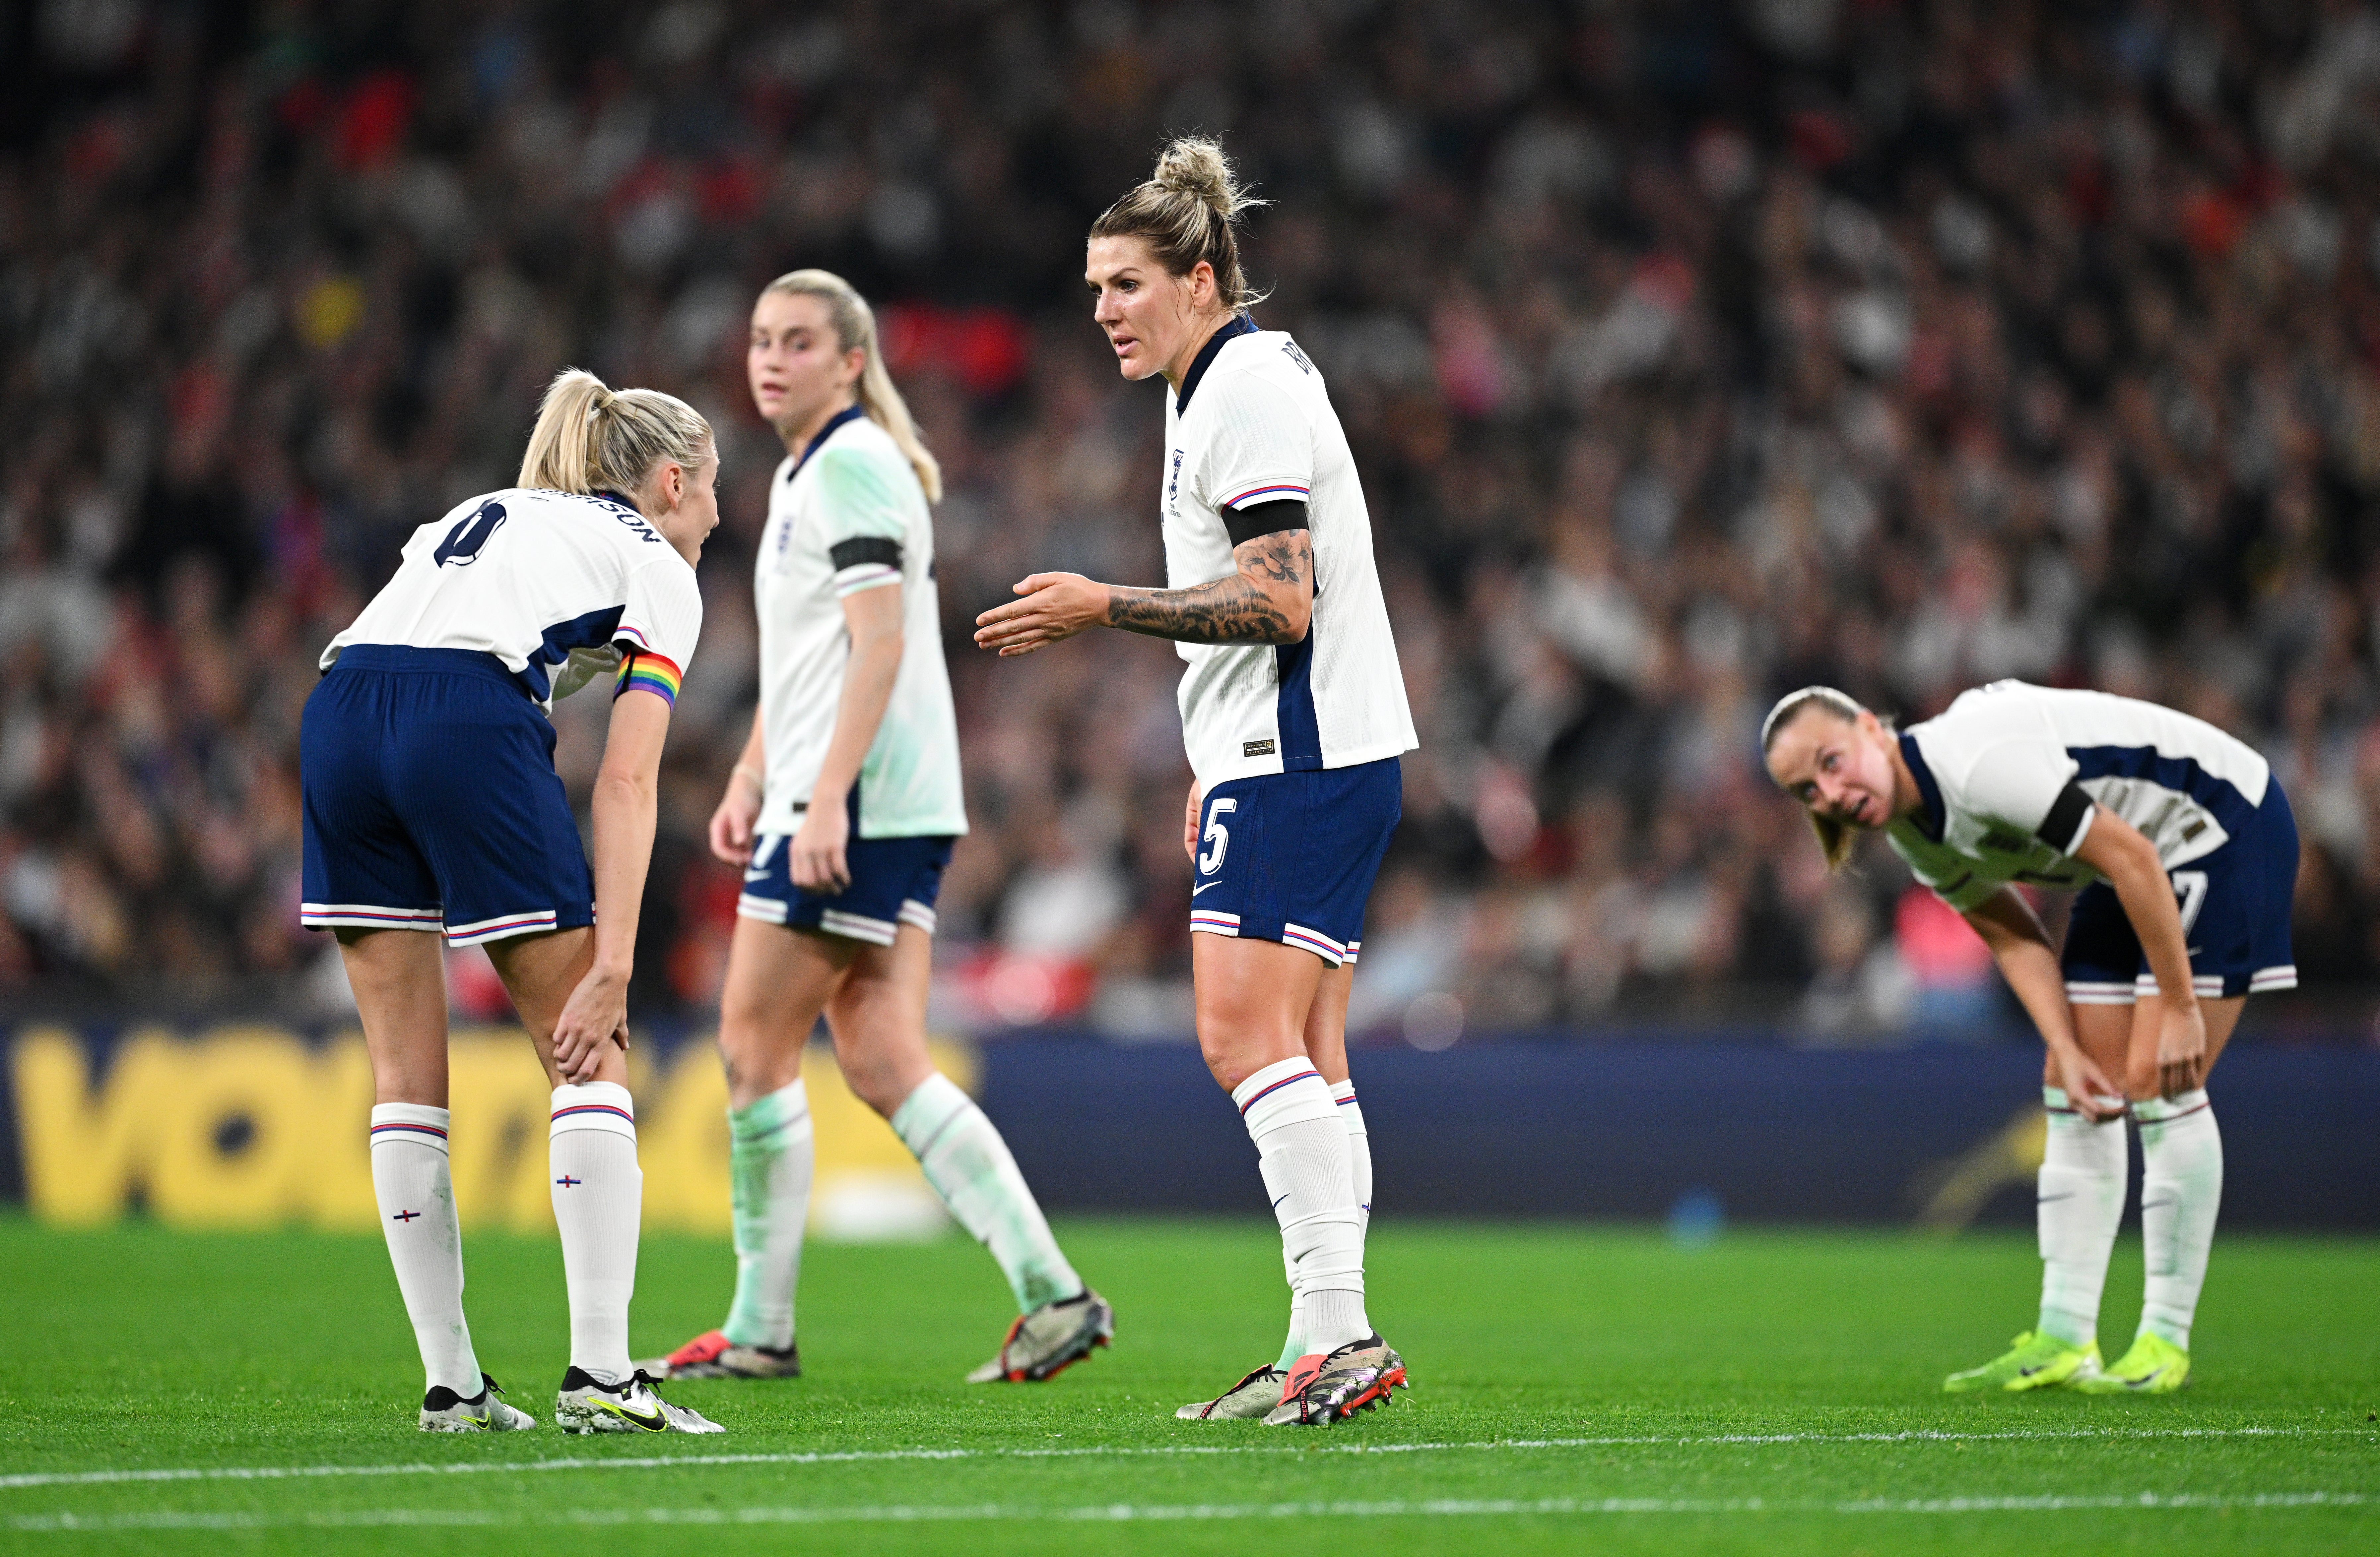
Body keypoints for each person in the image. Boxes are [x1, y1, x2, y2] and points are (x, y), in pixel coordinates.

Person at [973, 138, 1417, 1426]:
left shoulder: (1246, 391)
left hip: (1306, 753)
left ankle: (1339, 1338)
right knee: (1306, 1047)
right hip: (1289, 754)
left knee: (1239, 1036)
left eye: (1125, 284)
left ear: (1204, 278)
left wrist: (1102, 607)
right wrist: (1214, 753)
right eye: (1094, 287)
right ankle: (1324, 1339)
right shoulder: (1213, 385)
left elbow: (1283, 603)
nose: (1102, 310)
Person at [640, 270, 1110, 1388]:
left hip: (857, 799)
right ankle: (1051, 1293)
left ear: (850, 361)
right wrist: (755, 767)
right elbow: (809, 653)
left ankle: (760, 1326)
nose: (770, 358)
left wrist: (826, 793)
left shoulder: (849, 465)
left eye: (797, 341)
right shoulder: (822, 467)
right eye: (759, 338)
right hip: (877, 796)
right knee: (883, 1056)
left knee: (754, 1046)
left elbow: (881, 642)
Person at [301, 368, 724, 1434]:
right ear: (673, 482)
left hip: (341, 707)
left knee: (404, 1076)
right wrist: (617, 964)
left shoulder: (489, 511)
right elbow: (628, 782)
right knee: (589, 1046)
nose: (720, 513)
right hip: (461, 714)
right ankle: (602, 1376)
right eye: (717, 488)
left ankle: (453, 1386)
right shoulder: (658, 562)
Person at [1761, 680, 2298, 1395]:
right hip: (2125, 860)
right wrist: (2068, 1048)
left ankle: (2164, 1341)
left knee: (2159, 1078)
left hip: (2218, 824)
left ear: (1870, 726)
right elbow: (2014, 936)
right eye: (1807, 790)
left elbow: (2136, 855)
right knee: (2070, 1083)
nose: (1829, 792)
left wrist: (2177, 1003)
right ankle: (2064, 1336)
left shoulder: (1978, 762)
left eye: (1832, 761)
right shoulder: (1915, 829)